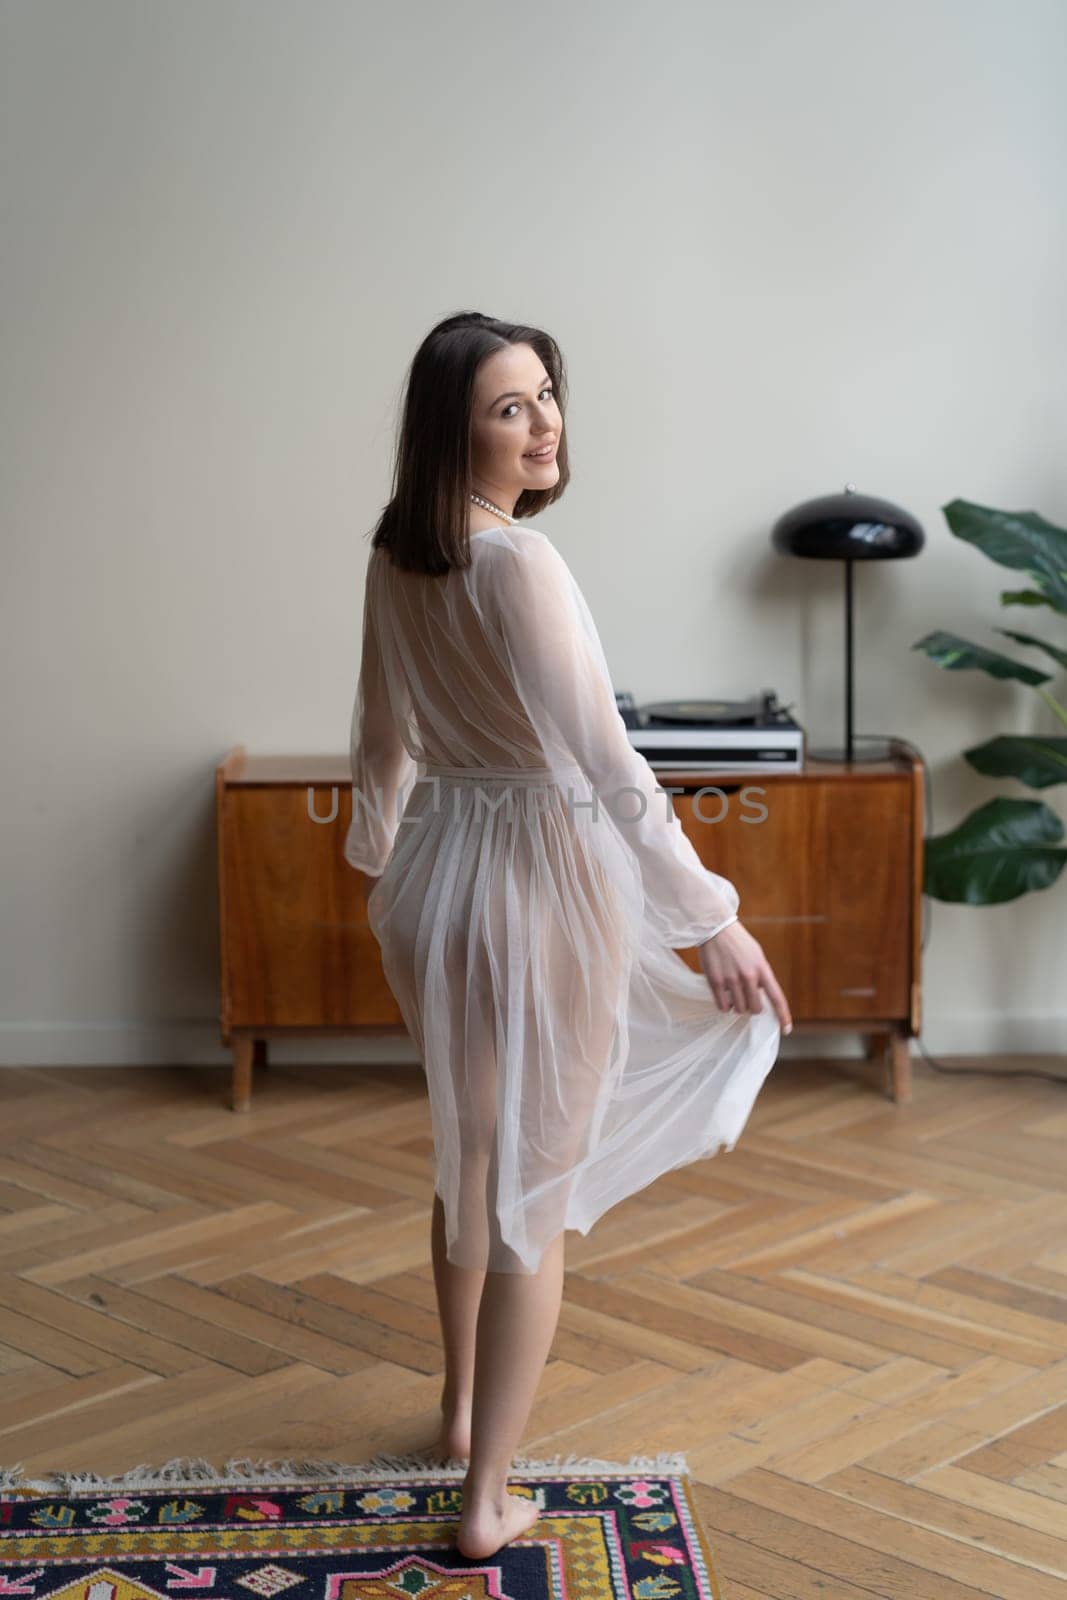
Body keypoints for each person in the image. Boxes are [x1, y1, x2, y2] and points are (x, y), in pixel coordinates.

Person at [344, 311, 793, 1559]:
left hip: (444, 871)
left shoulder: (397, 557)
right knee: (530, 1193)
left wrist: (379, 868)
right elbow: (603, 764)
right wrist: (711, 921)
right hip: (538, 879)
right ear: (453, 428)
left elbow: (379, 738)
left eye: (545, 396)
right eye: (508, 406)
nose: (543, 423)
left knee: (469, 1160)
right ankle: (487, 1498)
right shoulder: (518, 567)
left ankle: (457, 1411)